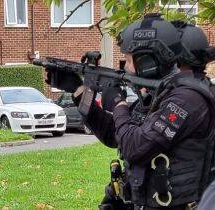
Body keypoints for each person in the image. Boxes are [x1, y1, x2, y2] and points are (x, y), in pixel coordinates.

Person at [63, 14, 215, 209]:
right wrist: (79, 91)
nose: (125, 66)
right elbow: (117, 135)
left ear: (147, 60)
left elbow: (135, 148)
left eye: (128, 59)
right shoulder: (162, 94)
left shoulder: (187, 99)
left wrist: (118, 104)